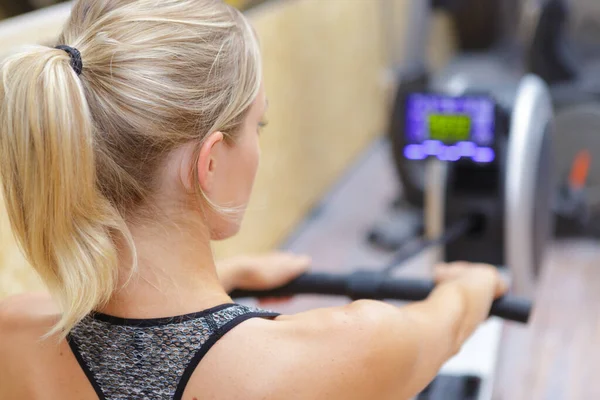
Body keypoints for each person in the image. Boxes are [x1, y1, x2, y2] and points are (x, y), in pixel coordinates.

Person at [0, 0, 508, 399]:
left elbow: (103, 321)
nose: (260, 147)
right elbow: (446, 323)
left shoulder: (13, 332)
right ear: (212, 162)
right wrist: (475, 283)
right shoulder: (342, 351)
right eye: (256, 126)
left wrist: (231, 276)